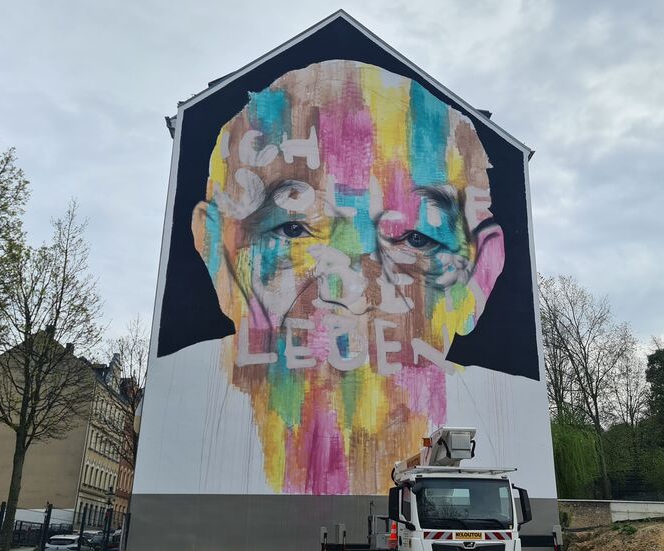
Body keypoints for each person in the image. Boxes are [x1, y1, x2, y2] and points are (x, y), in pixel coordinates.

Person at [191, 60, 505, 495]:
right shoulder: (189, 406)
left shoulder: (510, 406)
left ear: (479, 276)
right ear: (218, 255)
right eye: (293, 229)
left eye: (415, 237)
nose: (350, 286)